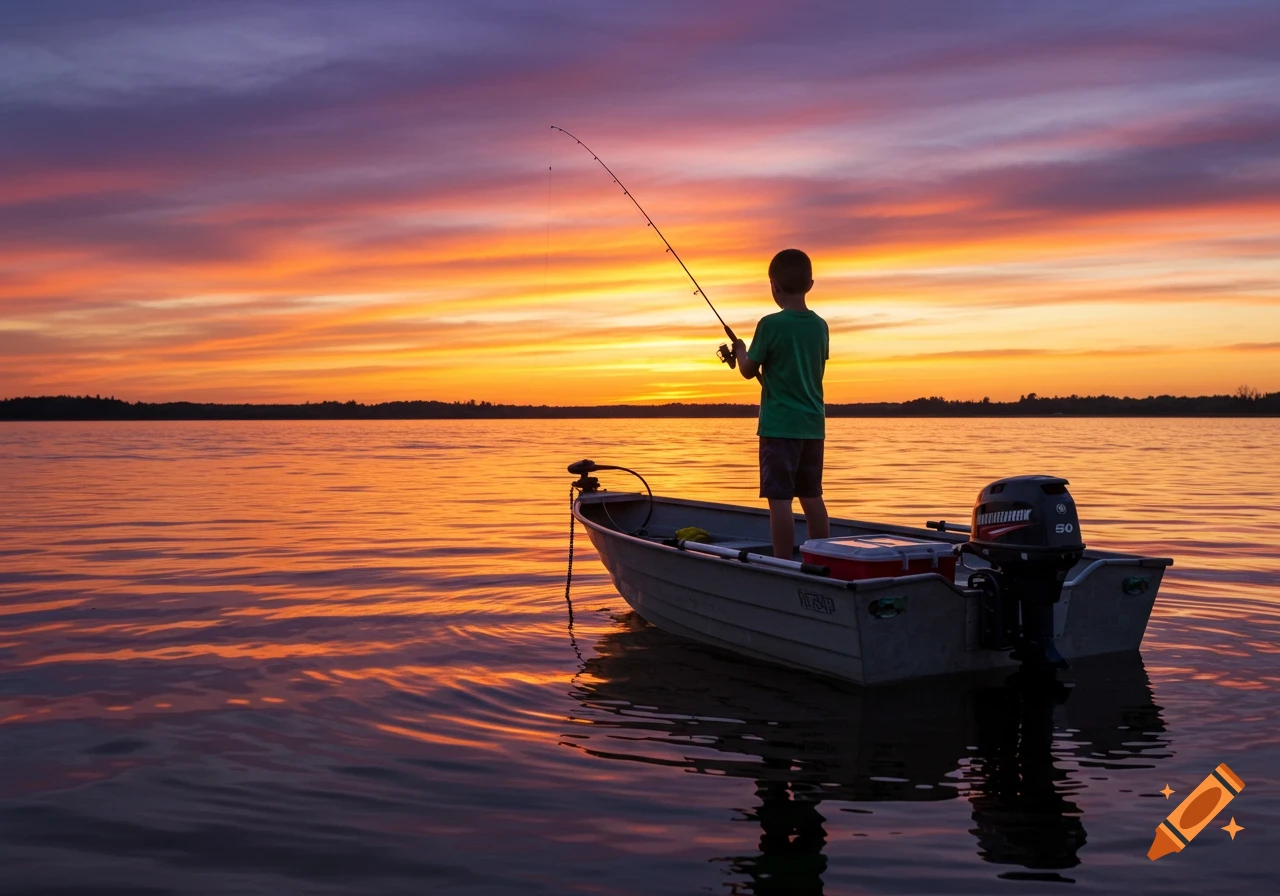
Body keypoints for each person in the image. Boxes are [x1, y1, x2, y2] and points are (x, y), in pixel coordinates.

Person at [732, 248, 831, 560]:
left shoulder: (770, 324)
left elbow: (748, 370)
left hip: (779, 428)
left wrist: (739, 350)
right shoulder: (820, 325)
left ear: (773, 285)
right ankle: (823, 557)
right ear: (810, 284)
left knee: (779, 499)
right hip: (813, 426)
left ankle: (781, 562)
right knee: (812, 496)